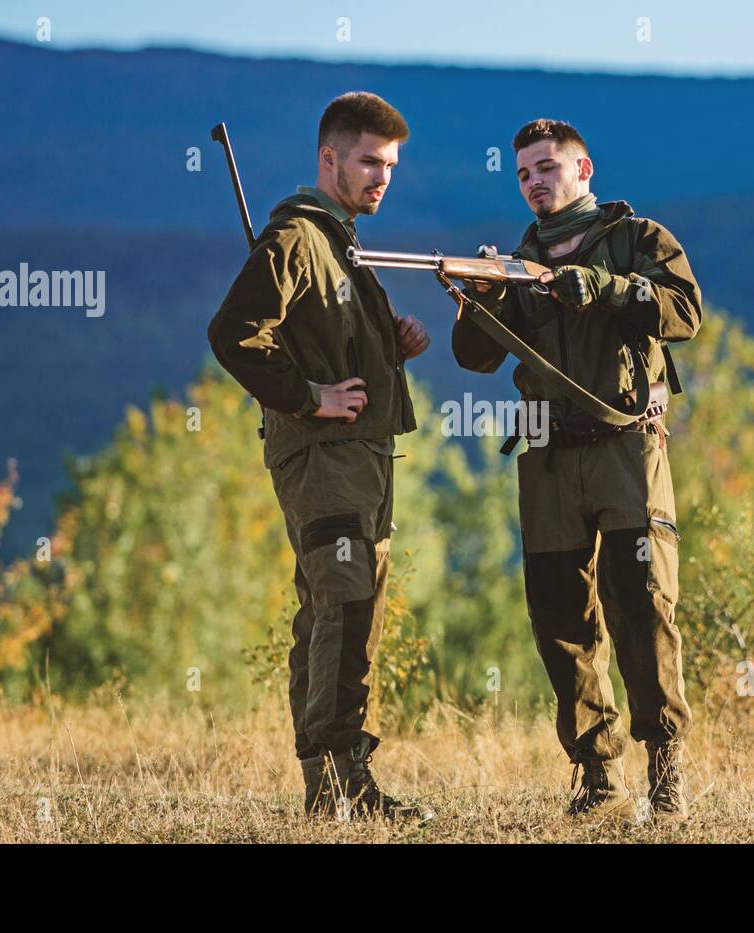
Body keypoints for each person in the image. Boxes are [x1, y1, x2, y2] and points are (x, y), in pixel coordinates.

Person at [452, 118, 702, 821]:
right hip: (546, 451)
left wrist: (607, 287)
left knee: (643, 604)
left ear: (584, 169)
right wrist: (481, 297)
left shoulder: (637, 239)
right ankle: (598, 774)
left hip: (627, 444)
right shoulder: (516, 262)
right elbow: (473, 355)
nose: (535, 181)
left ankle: (665, 766)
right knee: (561, 617)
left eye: (547, 167)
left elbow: (686, 312)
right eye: (524, 173)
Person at [208, 92, 433, 823]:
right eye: (369, 160)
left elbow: (318, 333)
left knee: (336, 610)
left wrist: (385, 344)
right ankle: (343, 784)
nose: (381, 177)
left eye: (390, 165)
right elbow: (235, 331)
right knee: (345, 606)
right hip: (325, 456)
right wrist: (309, 396)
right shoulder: (299, 238)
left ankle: (329, 782)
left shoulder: (339, 241)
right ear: (328, 158)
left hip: (360, 459)